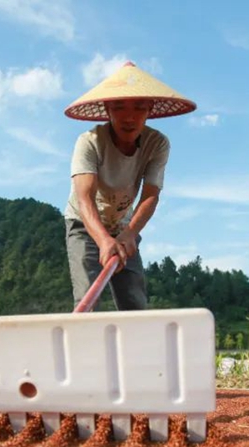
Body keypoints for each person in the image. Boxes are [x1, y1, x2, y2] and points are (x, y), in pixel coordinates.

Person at [62, 62, 196, 311]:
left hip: (124, 226)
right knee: (86, 298)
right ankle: (84, 346)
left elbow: (150, 195)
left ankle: (137, 348)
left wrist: (129, 234)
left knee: (134, 302)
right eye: (120, 106)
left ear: (150, 110)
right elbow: (85, 198)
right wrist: (103, 240)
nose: (129, 116)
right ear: (107, 109)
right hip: (85, 224)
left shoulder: (157, 144)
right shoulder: (89, 142)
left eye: (139, 107)